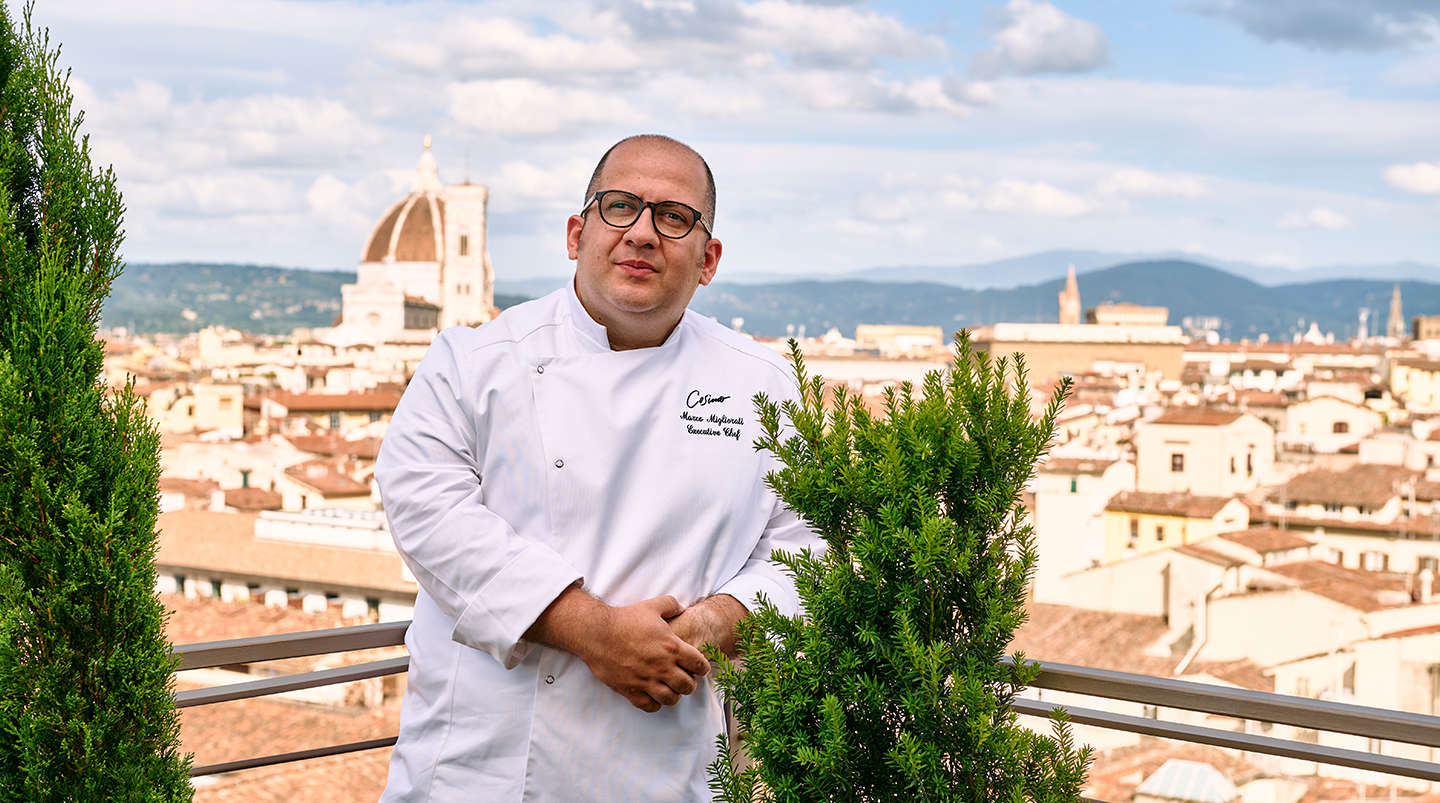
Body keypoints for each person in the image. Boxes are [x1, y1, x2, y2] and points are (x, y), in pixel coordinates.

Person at [375, 134, 822, 802]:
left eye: (674, 217)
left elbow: (808, 550)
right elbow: (426, 513)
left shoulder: (766, 387)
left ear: (709, 259)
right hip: (478, 771)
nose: (642, 232)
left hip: (661, 765)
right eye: (620, 207)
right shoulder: (472, 362)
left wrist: (701, 627)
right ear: (576, 233)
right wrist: (594, 631)